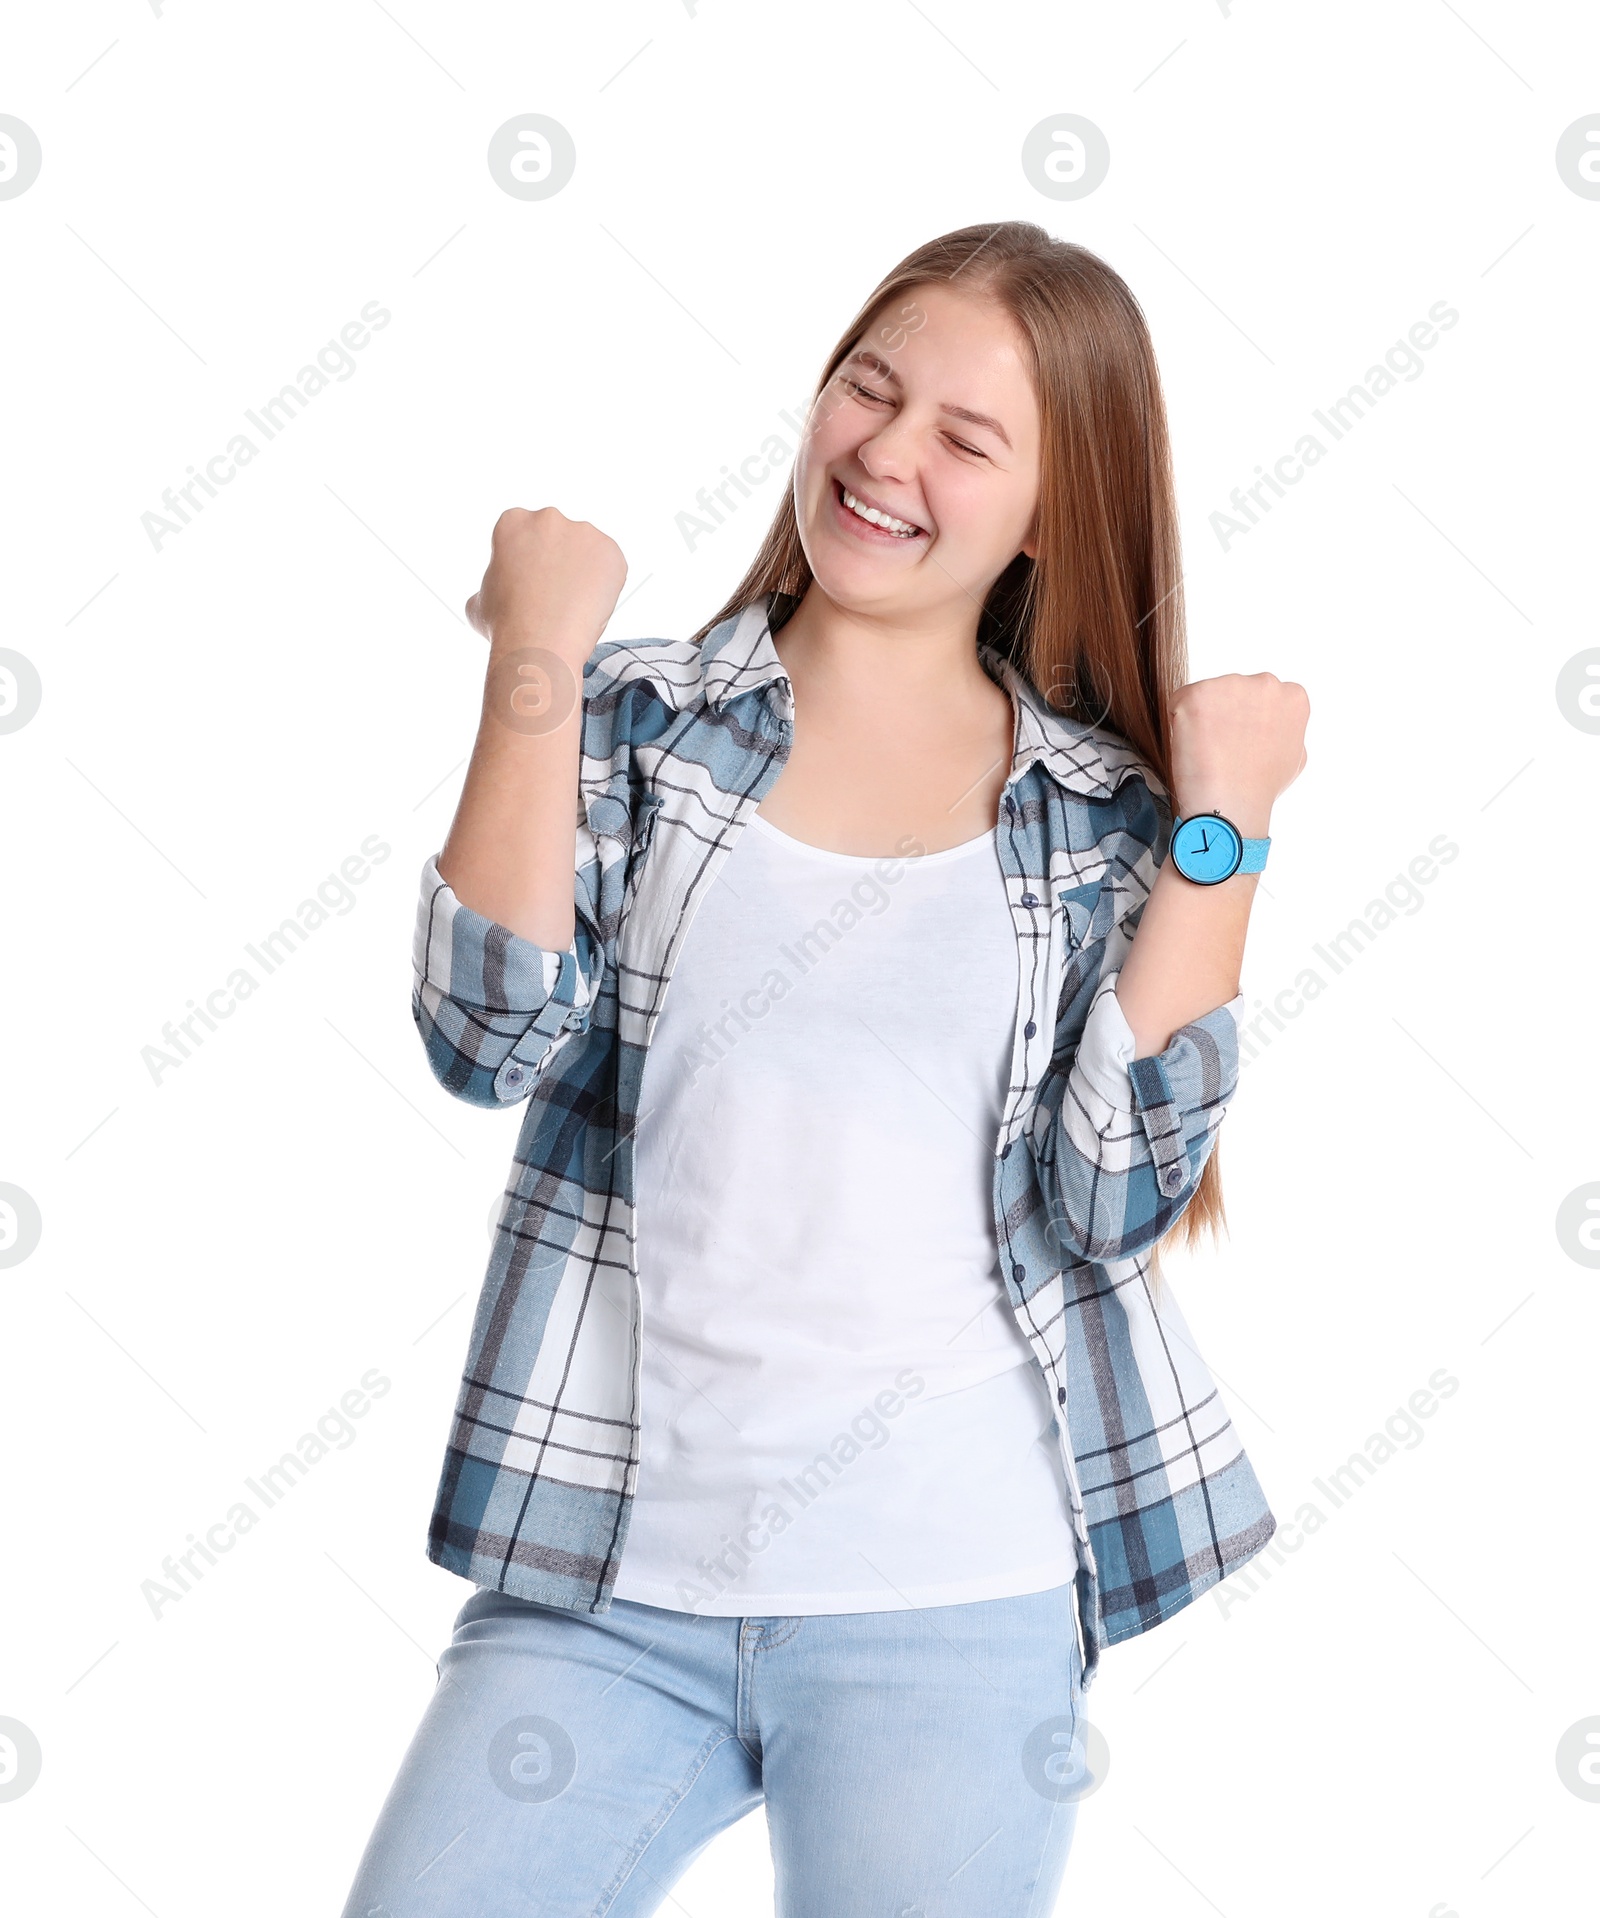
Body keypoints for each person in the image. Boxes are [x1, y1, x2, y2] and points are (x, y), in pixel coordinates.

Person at [342, 220, 1309, 1918]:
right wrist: (536, 658)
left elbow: (1114, 1190)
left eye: (966, 435)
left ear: (1045, 511)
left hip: (954, 1604)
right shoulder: (634, 728)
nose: (885, 451)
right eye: (872, 386)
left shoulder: (1099, 822)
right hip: (601, 1587)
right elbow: (481, 1034)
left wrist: (1221, 833)